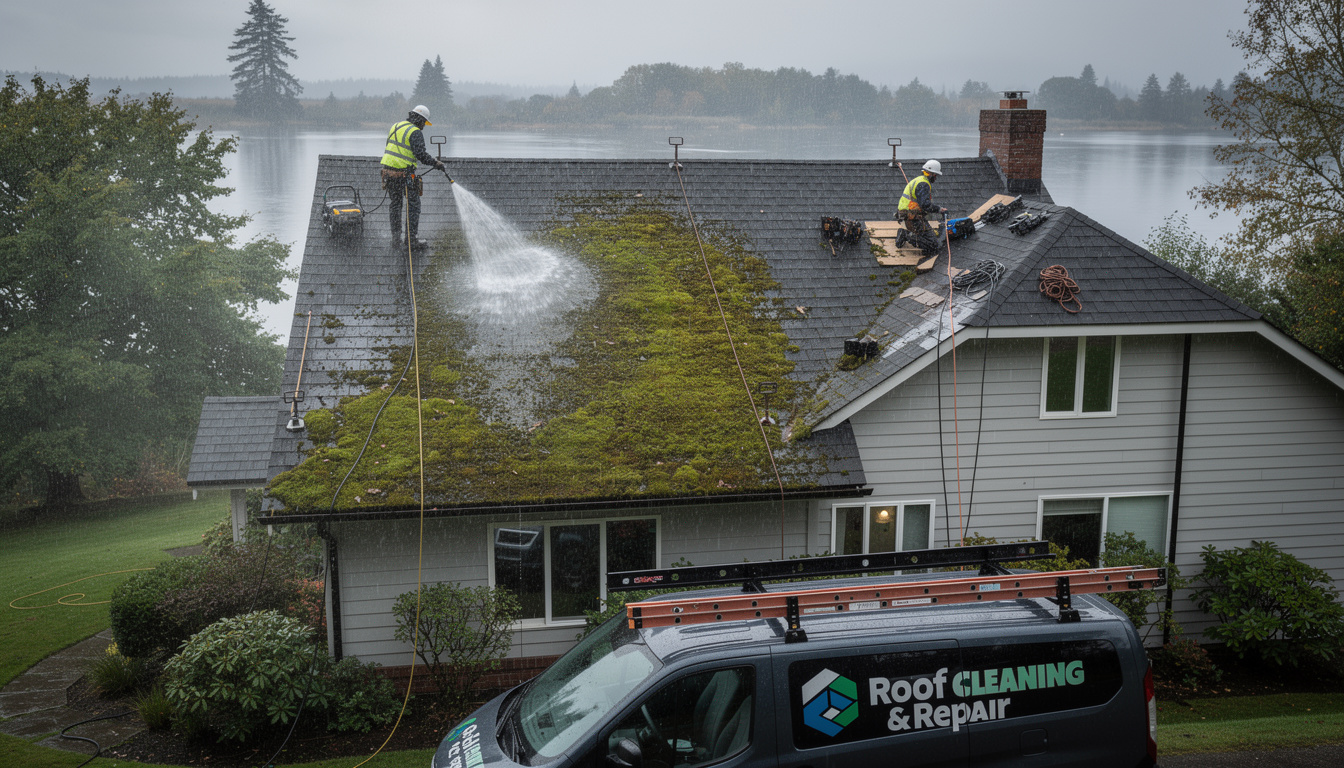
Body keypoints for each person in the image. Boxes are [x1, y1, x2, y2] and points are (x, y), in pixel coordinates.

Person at [380, 104, 448, 250]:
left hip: (388, 173)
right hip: (403, 174)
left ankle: (396, 239)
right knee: (413, 206)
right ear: (419, 119)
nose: (424, 126)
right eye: (424, 122)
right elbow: (421, 155)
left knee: (395, 205)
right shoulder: (415, 132)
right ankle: (411, 241)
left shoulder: (396, 126)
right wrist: (435, 163)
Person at [894, 159, 948, 254]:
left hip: (907, 214)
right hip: (911, 216)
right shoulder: (923, 184)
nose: (935, 178)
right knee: (933, 245)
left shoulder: (919, 180)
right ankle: (906, 234)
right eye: (935, 175)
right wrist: (939, 209)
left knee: (928, 237)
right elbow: (925, 205)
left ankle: (908, 233)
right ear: (932, 174)